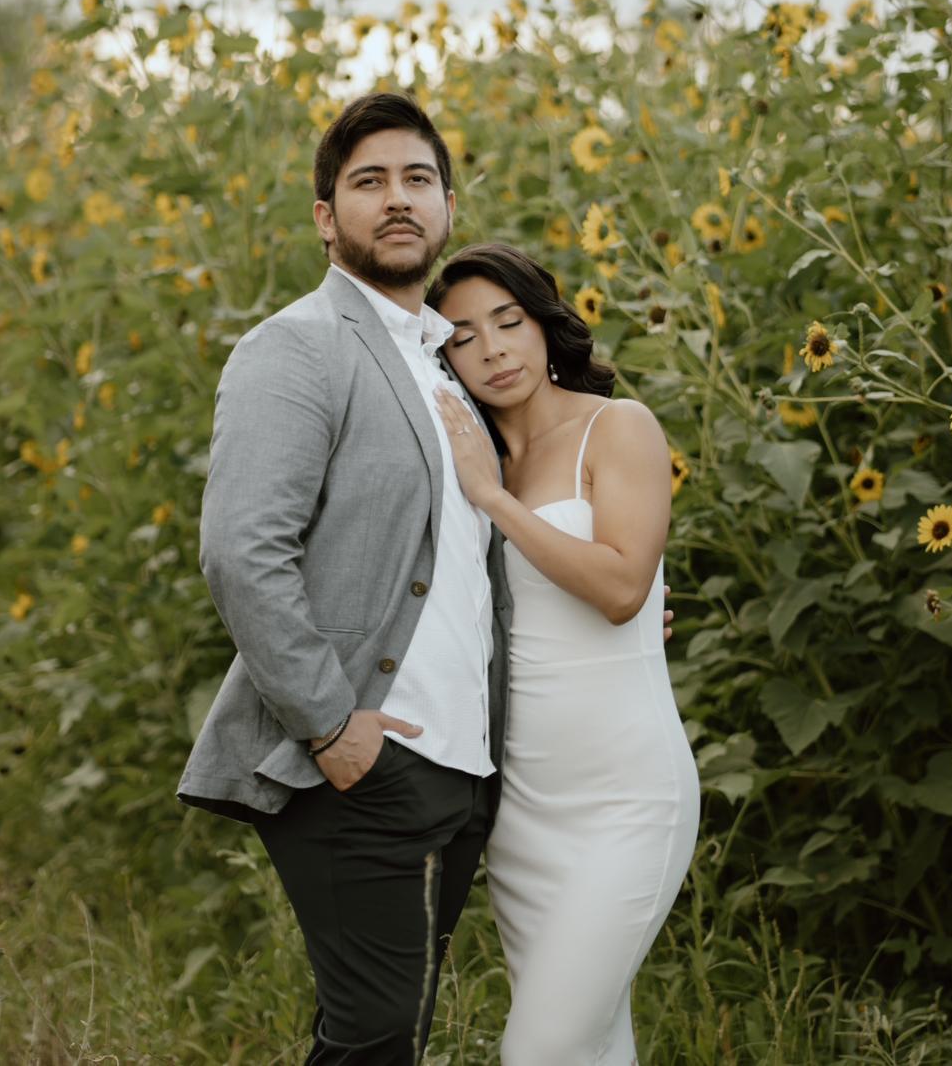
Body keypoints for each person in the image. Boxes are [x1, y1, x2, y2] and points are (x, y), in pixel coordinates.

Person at [177, 91, 513, 1064]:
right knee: (375, 1035)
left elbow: (476, 552)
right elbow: (241, 550)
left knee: (387, 1033)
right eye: (370, 182)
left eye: (418, 178)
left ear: (447, 207)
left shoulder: (449, 367)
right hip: (358, 761)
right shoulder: (296, 346)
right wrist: (330, 724)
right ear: (326, 218)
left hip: (461, 764)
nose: (397, 198)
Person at [425, 242, 701, 1066]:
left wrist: (492, 499)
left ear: (545, 325)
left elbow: (620, 590)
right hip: (522, 814)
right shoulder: (468, 461)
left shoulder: (617, 427)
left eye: (509, 321)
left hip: (628, 796)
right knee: (592, 1049)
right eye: (464, 336)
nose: (493, 349)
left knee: (539, 1050)